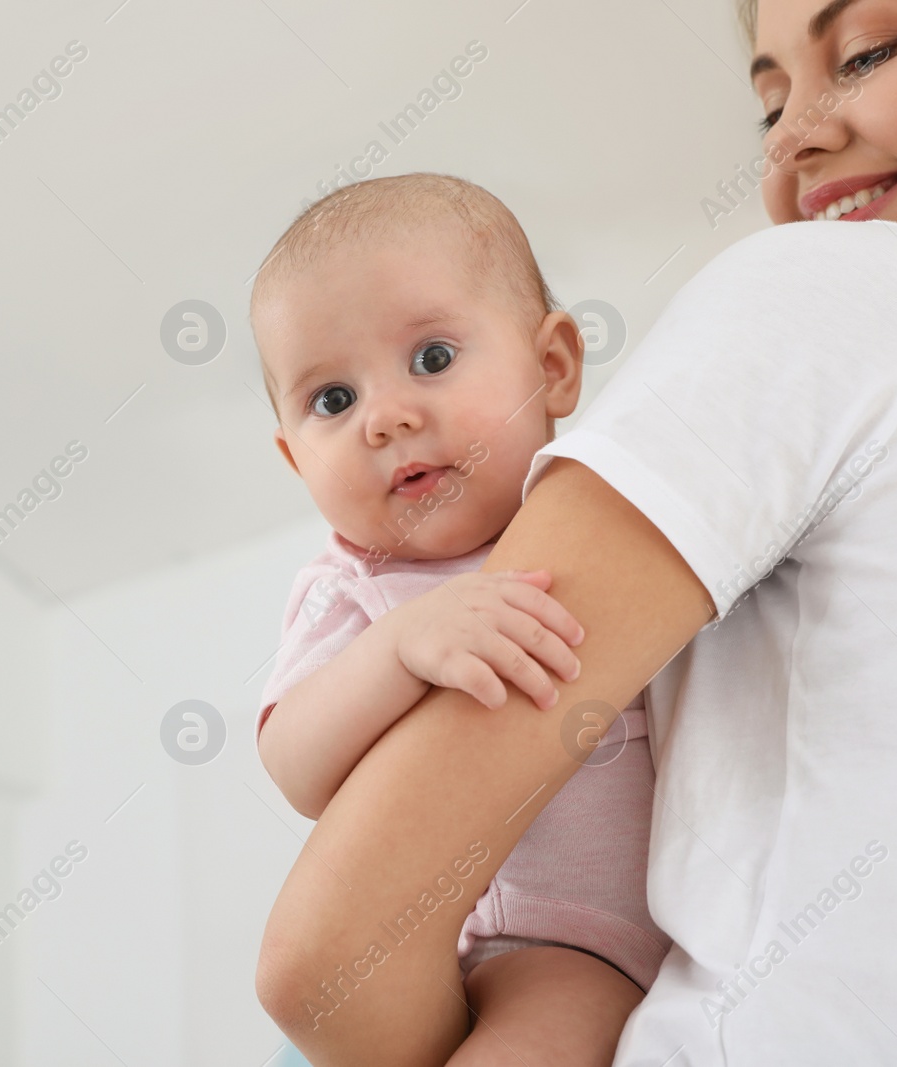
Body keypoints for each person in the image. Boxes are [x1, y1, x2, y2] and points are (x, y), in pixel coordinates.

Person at [255, 0, 897, 1063]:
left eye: (867, 53)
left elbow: (321, 963)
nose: (793, 133)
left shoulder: (831, 292)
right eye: (769, 102)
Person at [251, 172, 671, 1065]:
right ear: (294, 459)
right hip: (545, 939)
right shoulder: (359, 585)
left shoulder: (618, 510)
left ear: (552, 365)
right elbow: (293, 762)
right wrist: (401, 648)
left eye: (432, 359)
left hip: (693, 908)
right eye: (333, 400)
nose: (386, 417)